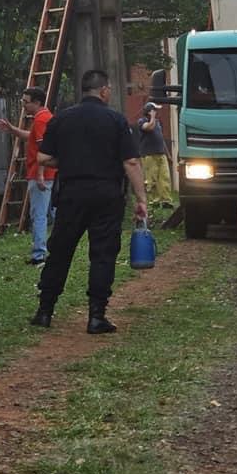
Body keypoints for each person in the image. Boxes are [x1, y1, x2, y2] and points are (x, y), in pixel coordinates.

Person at [31, 69, 147, 334]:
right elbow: (130, 162)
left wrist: (70, 161)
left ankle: (45, 311)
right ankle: (97, 315)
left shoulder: (61, 119)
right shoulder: (116, 120)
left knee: (60, 250)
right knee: (103, 254)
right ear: (104, 90)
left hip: (71, 193)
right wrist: (141, 199)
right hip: (107, 195)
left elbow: (43, 158)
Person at [0, 87, 57, 265]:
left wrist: (39, 174)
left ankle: (39, 255)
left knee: (38, 215)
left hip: (41, 175)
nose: (23, 105)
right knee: (49, 213)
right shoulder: (46, 118)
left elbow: (42, 150)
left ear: (37, 102)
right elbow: (32, 138)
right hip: (49, 174)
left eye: (25, 102)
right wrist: (12, 129)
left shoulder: (40, 120)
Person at [137, 101, 173, 211]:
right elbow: (149, 128)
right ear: (149, 111)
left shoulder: (157, 122)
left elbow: (161, 138)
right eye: (155, 110)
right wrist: (152, 117)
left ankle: (166, 200)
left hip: (160, 154)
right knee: (151, 179)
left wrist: (168, 154)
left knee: (164, 177)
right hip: (149, 155)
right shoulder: (142, 121)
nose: (156, 112)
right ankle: (154, 202)